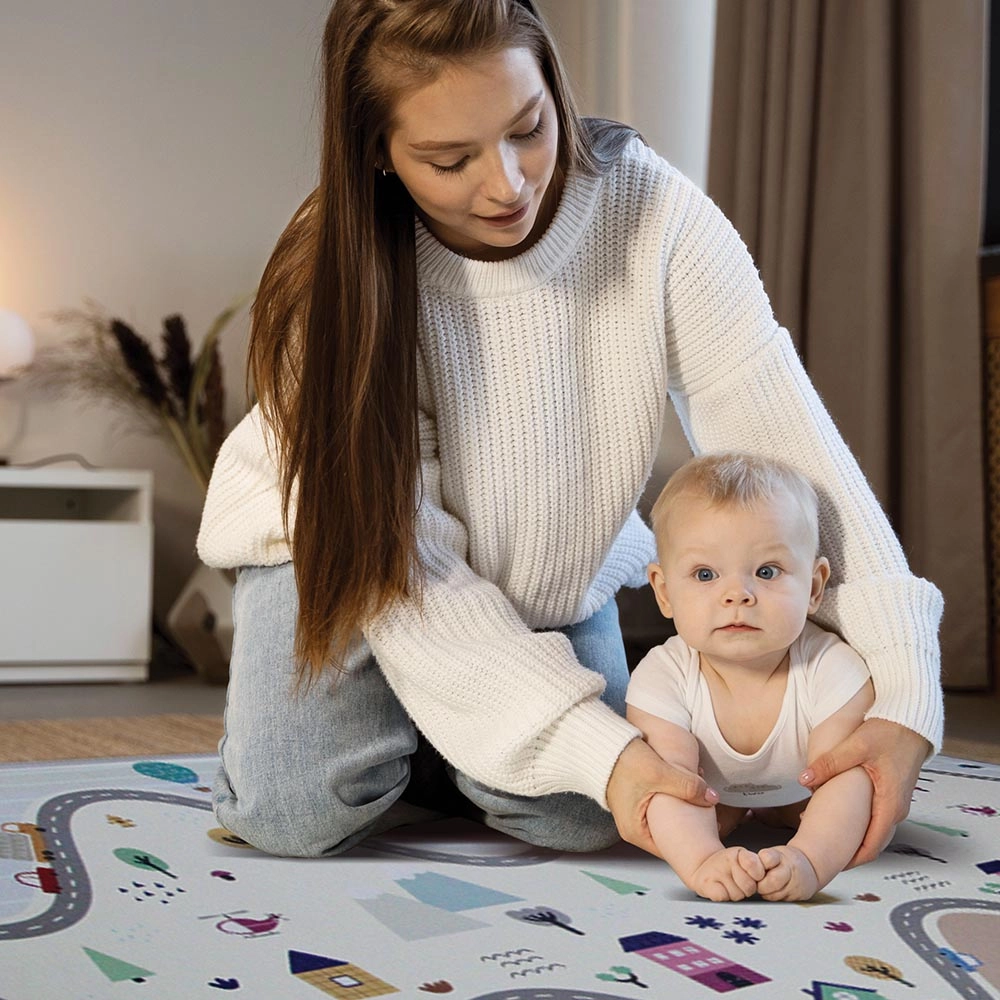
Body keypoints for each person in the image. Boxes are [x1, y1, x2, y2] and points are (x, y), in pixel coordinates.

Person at [196, 0, 943, 861]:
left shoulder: (654, 214)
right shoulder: (325, 275)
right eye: (449, 159)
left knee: (584, 819)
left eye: (528, 128)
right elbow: (410, 567)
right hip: (348, 557)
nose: (508, 184)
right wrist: (595, 750)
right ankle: (424, 719)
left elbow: (792, 460)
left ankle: (446, 727)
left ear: (553, 83)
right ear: (378, 152)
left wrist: (904, 697)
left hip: (547, 566)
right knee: (299, 814)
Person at [626, 452, 875, 901]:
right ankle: (712, 844)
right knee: (673, 791)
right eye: (705, 574)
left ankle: (802, 842)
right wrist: (702, 859)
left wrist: (810, 858)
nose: (737, 595)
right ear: (664, 592)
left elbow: (839, 776)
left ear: (815, 587)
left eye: (766, 572)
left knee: (856, 785)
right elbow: (672, 780)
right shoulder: (662, 677)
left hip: (803, 795)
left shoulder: (832, 668)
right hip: (713, 798)